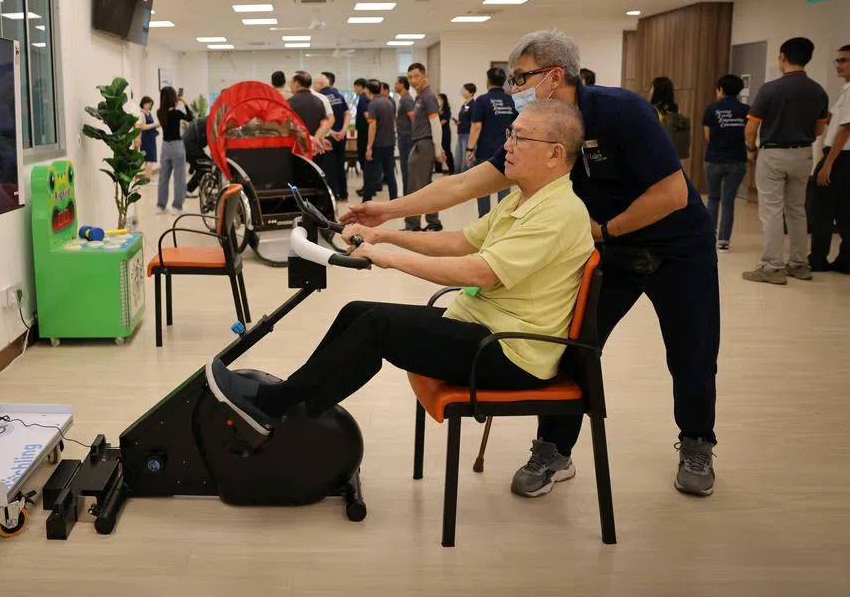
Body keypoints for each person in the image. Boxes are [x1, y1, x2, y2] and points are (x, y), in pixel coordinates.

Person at [343, 29, 721, 498]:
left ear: (555, 76)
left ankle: (697, 443)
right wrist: (386, 210)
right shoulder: (536, 131)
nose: (513, 88)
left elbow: (672, 194)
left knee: (691, 351)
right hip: (609, 252)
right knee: (573, 348)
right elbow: (461, 185)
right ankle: (554, 451)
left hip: (677, 247)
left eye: (520, 77)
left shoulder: (622, 111)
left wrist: (604, 230)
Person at [206, 100, 593, 444]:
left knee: (379, 328)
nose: (507, 145)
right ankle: (295, 410)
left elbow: (479, 272)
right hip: (481, 326)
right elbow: (460, 241)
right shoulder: (521, 200)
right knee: (357, 312)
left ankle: (274, 407)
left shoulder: (558, 214)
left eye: (520, 138)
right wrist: (384, 235)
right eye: (510, 135)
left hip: (510, 352)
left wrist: (386, 258)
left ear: (554, 154)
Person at [743, 37, 830, 285]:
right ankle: (799, 264)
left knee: (771, 210)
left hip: (773, 153)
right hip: (803, 153)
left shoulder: (770, 90)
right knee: (797, 209)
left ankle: (773, 267)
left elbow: (751, 128)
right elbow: (818, 130)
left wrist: (751, 149)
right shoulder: (818, 91)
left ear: (783, 57)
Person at [809, 44, 850, 273]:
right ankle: (845, 260)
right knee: (844, 210)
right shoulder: (846, 90)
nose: (838, 65)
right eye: (837, 60)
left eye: (844, 60)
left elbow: (845, 129)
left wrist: (828, 164)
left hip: (840, 157)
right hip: (842, 157)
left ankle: (818, 259)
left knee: (822, 210)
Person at [702, 75, 749, 252]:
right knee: (729, 201)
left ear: (721, 89)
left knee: (713, 198)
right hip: (737, 159)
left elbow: (707, 136)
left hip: (714, 159)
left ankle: (709, 236)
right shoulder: (746, 109)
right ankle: (724, 241)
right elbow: (749, 133)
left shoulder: (711, 109)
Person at [467, 67, 516, 217]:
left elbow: (476, 126)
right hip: (506, 151)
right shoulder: (512, 100)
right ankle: (502, 219)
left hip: (485, 151)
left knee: (482, 188)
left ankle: (484, 220)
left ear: (488, 81)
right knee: (504, 188)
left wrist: (470, 148)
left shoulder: (481, 100)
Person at [403, 63, 444, 232]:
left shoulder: (428, 96)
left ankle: (413, 225)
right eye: (410, 77)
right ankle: (433, 221)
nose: (413, 80)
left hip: (425, 143)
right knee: (425, 185)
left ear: (424, 76)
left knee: (415, 186)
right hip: (420, 143)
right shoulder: (420, 97)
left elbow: (435, 123)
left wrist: (438, 149)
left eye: (416, 76)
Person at [156, 85, 194, 214]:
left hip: (165, 147)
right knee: (179, 178)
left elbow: (168, 113)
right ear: (173, 98)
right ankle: (177, 207)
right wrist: (184, 102)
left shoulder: (159, 113)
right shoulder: (177, 113)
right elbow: (190, 118)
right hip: (177, 146)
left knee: (163, 178)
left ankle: (160, 206)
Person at [361, 78, 397, 203]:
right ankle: (394, 201)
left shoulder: (373, 104)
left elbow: (372, 126)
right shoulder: (388, 102)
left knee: (369, 174)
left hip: (377, 145)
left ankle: (366, 202)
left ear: (368, 90)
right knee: (390, 174)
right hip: (390, 143)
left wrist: (369, 147)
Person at [316, 72, 349, 201]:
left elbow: (323, 121)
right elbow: (347, 113)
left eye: (315, 84)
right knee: (340, 165)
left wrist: (332, 132)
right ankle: (344, 194)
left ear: (320, 84)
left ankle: (333, 195)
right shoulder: (339, 95)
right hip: (341, 137)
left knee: (329, 167)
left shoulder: (320, 98)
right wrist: (343, 130)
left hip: (328, 137)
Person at [287, 70, 331, 162]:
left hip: (297, 150)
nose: (289, 85)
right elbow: (325, 123)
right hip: (317, 149)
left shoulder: (290, 102)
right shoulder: (318, 101)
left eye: (291, 82)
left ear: (297, 83)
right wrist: (316, 138)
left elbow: (287, 126)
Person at [650, 77, 691, 165]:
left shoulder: (652, 110)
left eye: (652, 87)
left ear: (657, 91)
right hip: (674, 158)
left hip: (657, 156)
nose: (650, 91)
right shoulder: (674, 109)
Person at [393, 75, 413, 193]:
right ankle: (406, 193)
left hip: (407, 137)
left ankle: (408, 194)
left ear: (402, 85)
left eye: (396, 84)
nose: (395, 86)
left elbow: (413, 118)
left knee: (406, 167)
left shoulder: (407, 99)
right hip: (403, 135)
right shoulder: (403, 99)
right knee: (404, 167)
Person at [455, 83, 476, 175]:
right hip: (461, 133)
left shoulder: (474, 105)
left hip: (468, 135)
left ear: (471, 92)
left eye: (464, 90)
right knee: (458, 159)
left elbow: (474, 122)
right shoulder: (464, 105)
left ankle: (467, 180)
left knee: (466, 161)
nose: (462, 92)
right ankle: (458, 179)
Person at [137, 95, 160, 180]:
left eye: (150, 104)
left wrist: (156, 125)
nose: (149, 106)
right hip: (146, 138)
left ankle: (148, 177)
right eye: (147, 104)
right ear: (143, 103)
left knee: (150, 159)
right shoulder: (142, 113)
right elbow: (143, 127)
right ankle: (147, 178)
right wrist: (155, 124)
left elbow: (150, 125)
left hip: (151, 138)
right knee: (148, 158)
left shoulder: (148, 113)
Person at [437, 92, 455, 176]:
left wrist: (435, 125)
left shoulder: (447, 109)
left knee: (447, 150)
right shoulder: (435, 109)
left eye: (439, 99)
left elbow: (443, 121)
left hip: (445, 133)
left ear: (443, 100)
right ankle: (438, 169)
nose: (437, 100)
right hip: (438, 133)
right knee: (437, 150)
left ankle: (451, 169)